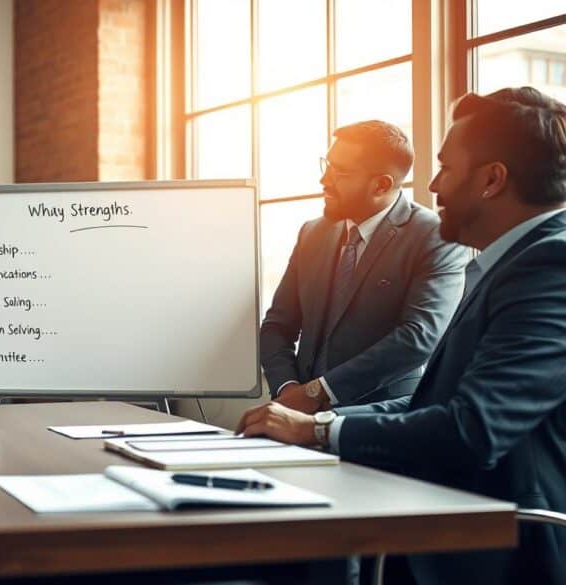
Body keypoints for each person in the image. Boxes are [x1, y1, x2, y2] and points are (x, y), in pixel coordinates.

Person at [238, 87, 566, 585]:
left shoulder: (550, 266)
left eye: (446, 169)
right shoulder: (512, 265)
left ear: (493, 180)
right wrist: (313, 421)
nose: (433, 186)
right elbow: (437, 400)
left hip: (497, 543)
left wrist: (318, 428)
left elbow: (471, 429)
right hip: (447, 513)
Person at [262, 120, 468, 415]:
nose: (325, 180)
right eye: (327, 165)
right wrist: (288, 389)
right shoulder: (312, 233)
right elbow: (277, 325)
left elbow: (418, 337)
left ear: (381, 184)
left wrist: (315, 393)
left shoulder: (436, 237)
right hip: (294, 415)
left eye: (340, 172)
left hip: (381, 422)